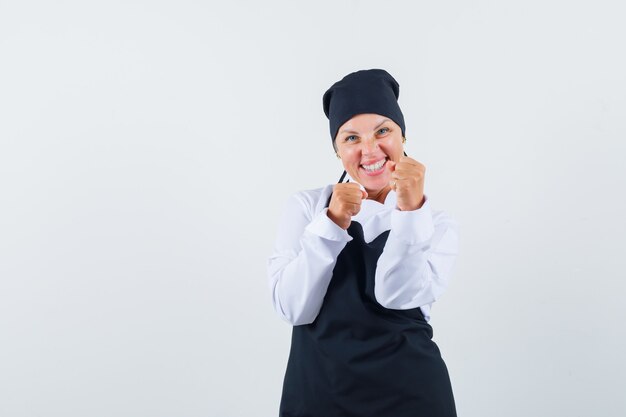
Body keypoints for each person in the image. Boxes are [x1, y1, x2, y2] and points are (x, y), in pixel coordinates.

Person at [267, 69, 459, 417]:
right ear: (337, 150)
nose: (370, 150)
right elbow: (292, 308)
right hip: (319, 395)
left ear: (403, 136)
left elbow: (396, 296)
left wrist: (410, 210)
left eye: (383, 131)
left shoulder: (434, 221)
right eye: (351, 138)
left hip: (412, 396)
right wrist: (332, 222)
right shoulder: (308, 207)